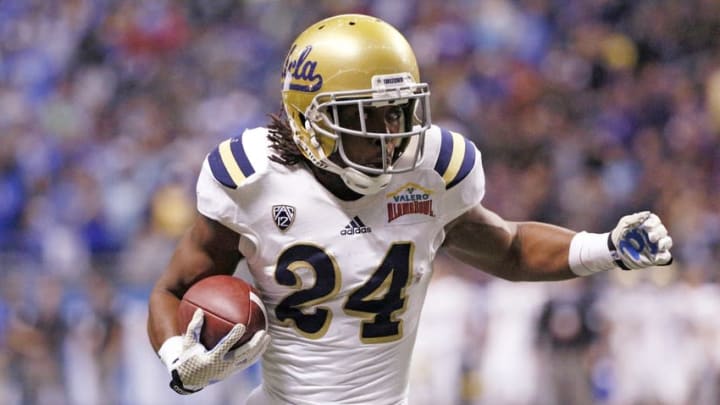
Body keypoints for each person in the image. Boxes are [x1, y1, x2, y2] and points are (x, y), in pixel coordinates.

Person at [147, 13, 673, 404]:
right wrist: (180, 359)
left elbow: (509, 249)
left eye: (398, 113)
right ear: (308, 123)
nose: (389, 135)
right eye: (366, 118)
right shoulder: (252, 180)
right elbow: (173, 288)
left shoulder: (433, 170)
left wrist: (605, 248)